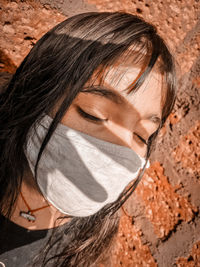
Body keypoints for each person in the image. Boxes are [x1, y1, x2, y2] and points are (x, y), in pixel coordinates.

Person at [0, 12, 176, 267]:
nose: (121, 147)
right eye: (93, 114)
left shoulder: (90, 245)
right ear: (36, 94)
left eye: (141, 136)